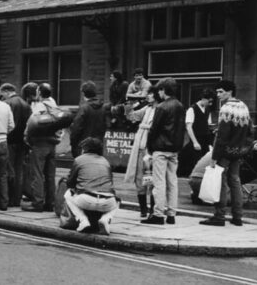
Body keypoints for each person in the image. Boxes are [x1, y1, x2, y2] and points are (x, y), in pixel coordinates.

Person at [200, 80, 252, 227]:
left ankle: (219, 216)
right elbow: (250, 130)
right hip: (238, 151)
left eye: (220, 91)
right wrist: (243, 146)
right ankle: (237, 217)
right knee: (235, 182)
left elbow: (222, 137)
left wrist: (214, 157)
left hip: (225, 152)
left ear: (230, 92)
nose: (217, 95)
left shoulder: (225, 109)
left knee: (220, 183)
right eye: (217, 92)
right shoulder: (244, 107)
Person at [142, 78, 185, 225]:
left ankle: (158, 215)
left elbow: (154, 129)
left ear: (163, 90)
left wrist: (149, 146)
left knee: (159, 183)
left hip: (160, 149)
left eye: (159, 90)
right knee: (172, 182)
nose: (158, 92)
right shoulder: (180, 106)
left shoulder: (161, 107)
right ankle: (171, 214)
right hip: (174, 149)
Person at [64, 138, 119, 235]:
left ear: (85, 149)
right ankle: (105, 219)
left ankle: (82, 220)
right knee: (117, 200)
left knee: (67, 194)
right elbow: (111, 184)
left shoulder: (79, 160)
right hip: (108, 202)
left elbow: (70, 183)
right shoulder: (106, 161)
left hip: (86, 200)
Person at [123, 86, 159, 218]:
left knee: (151, 179)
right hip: (140, 147)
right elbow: (132, 116)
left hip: (150, 148)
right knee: (139, 179)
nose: (147, 96)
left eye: (150, 94)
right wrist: (129, 106)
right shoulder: (147, 108)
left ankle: (153, 210)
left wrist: (146, 127)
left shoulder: (160, 109)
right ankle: (143, 210)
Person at [23, 82, 58, 212]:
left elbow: (31, 124)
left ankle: (37, 203)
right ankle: (50, 203)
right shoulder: (54, 105)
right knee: (50, 174)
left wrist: (27, 138)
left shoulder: (39, 107)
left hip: (39, 143)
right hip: (52, 143)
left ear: (39, 93)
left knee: (37, 173)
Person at [2, 83, 32, 208]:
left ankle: (9, 198)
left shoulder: (7, 103)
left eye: (2, 93)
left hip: (9, 141)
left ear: (7, 91)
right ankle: (17, 199)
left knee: (9, 169)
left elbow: (7, 124)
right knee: (19, 170)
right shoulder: (26, 104)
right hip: (22, 142)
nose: (1, 96)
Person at [180, 89, 216, 176]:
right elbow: (189, 127)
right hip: (196, 139)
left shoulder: (207, 109)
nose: (210, 103)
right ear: (203, 98)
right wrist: (195, 142)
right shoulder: (192, 109)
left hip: (205, 140)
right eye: (209, 101)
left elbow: (207, 125)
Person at [70, 81, 107, 158]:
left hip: (84, 145)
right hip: (98, 144)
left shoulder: (84, 108)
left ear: (83, 93)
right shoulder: (103, 108)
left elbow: (76, 128)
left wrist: (73, 144)